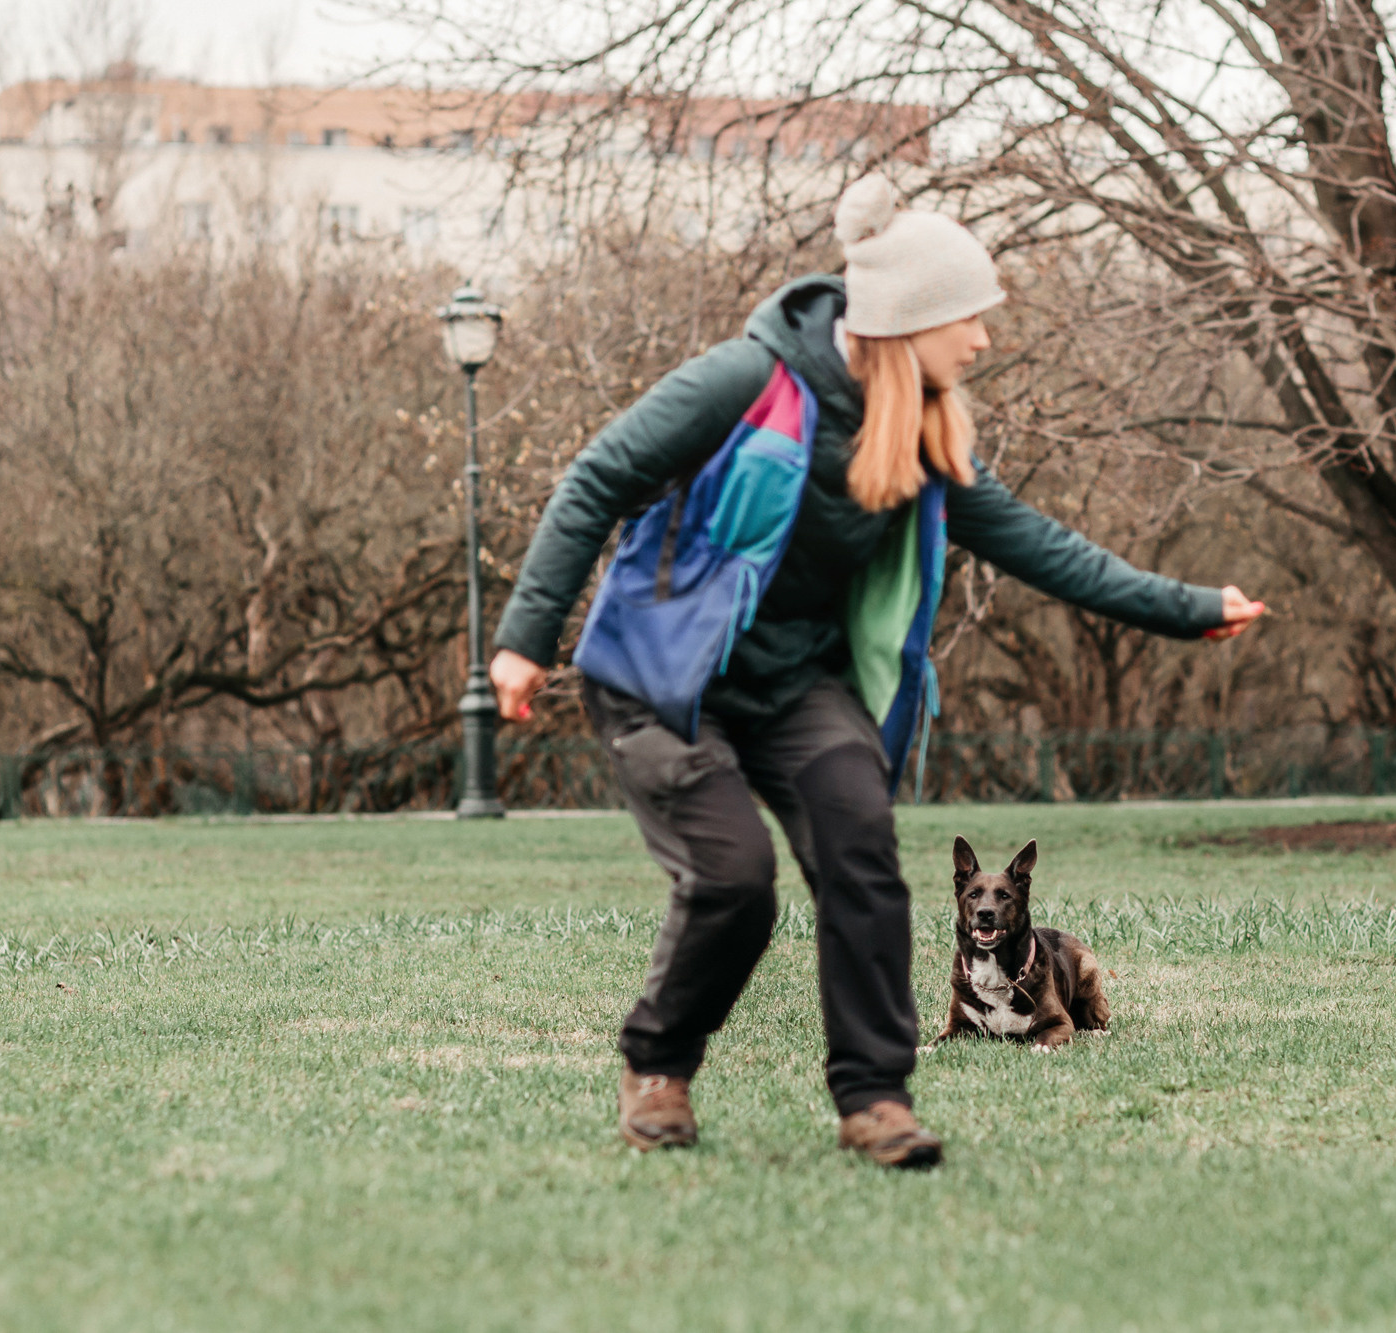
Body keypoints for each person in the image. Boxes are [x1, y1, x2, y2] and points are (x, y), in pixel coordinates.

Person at [487, 176, 1266, 1169]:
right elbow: (597, 477)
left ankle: (874, 1099)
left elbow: (1036, 543)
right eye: (968, 320)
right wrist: (522, 637)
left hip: (796, 686)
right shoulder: (744, 381)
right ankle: (658, 1067)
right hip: (664, 674)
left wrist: (1189, 608)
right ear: (909, 319)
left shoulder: (924, 431)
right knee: (734, 881)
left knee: (860, 854)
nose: (981, 340)